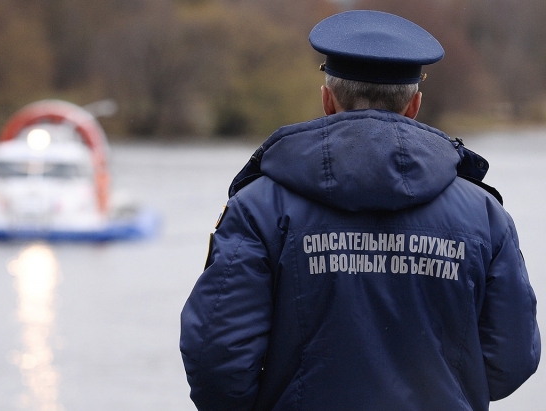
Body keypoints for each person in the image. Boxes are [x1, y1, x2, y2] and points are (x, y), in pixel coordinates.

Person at [180, 10, 540, 411]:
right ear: (414, 105)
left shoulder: (259, 208)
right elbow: (511, 360)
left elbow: (217, 363)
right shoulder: (484, 215)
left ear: (327, 100)